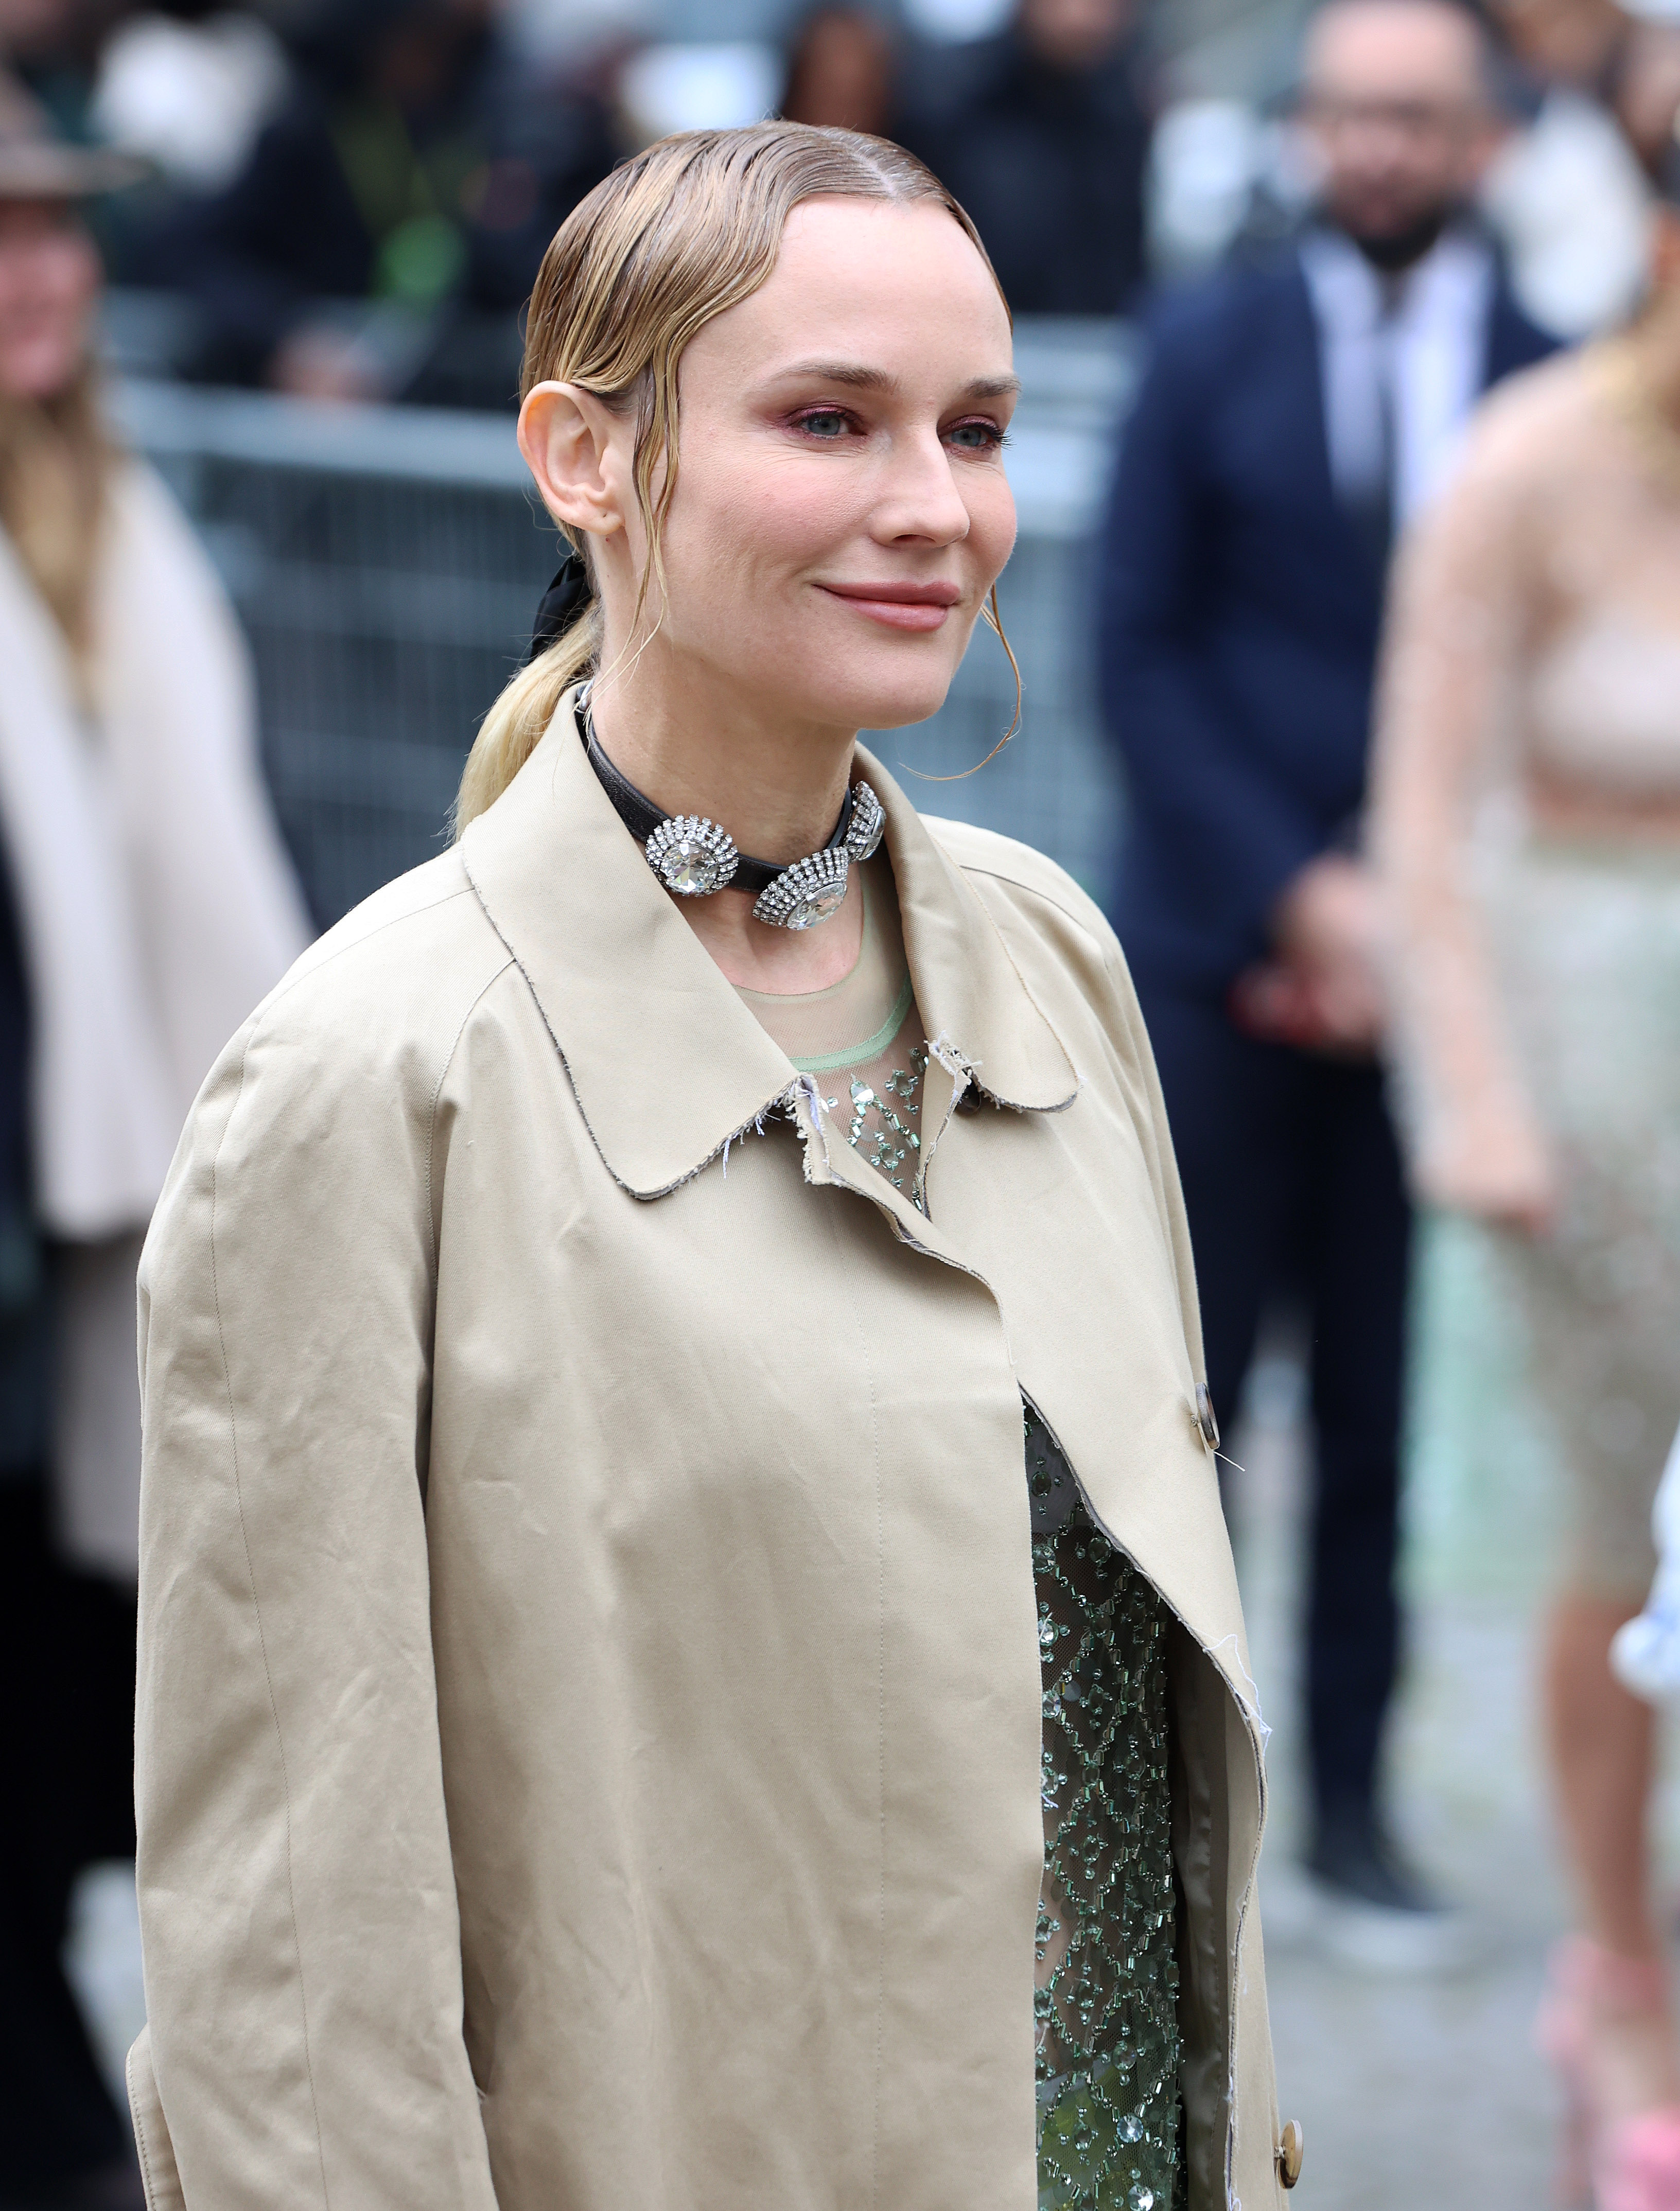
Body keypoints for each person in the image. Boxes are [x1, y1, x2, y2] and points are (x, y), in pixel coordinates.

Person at [128, 122, 1301, 2211]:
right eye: (831, 421)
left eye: (979, 428)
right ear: (586, 458)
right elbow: (296, 1978)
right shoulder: (368, 1078)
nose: (933, 508)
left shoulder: (1049, 959)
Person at [1097, 0, 1555, 1960]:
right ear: (1300, 129)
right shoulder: (1202, 346)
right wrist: (1299, 894)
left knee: (1376, 1410)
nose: (1374, 149)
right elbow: (1138, 649)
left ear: (1480, 139)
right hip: (1220, 954)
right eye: (1345, 113)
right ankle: (1148, 1815)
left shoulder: (1557, 376)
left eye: (1413, 118)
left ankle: (1353, 1809)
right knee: (1168, 1403)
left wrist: (1416, 910)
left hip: (1450, 977)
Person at [0, 107, 308, 2210]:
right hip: (23, 1257)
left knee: (79, 1729)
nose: (37, 274)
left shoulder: (128, 524)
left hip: (109, 1251)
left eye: (55, 240)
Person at [1371, 118, 1680, 2210]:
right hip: (1597, 1069)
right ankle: (1627, 1976)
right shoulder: (1539, 459)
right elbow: (1423, 803)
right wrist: (1471, 1100)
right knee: (1627, 1539)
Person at [131, 0, 616, 400]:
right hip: (343, 454)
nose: (418, 60)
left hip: (483, 422)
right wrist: (288, 338)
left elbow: (590, 254)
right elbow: (185, 250)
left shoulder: (523, 110)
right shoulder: (313, 123)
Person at [896, 0, 1151, 317]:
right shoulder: (953, 97)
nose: (1086, 16)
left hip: (1095, 338)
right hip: (974, 328)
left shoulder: (1127, 112)